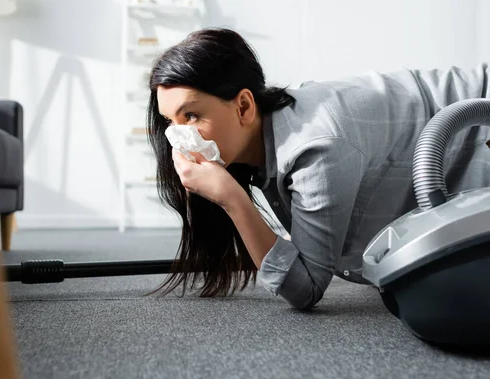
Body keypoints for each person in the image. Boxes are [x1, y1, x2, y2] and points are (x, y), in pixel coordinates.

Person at [144, 27, 490, 310]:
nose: (178, 137)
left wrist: (233, 200)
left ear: (244, 107)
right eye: (168, 121)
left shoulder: (316, 145)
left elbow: (305, 289)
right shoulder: (270, 138)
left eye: (191, 115)